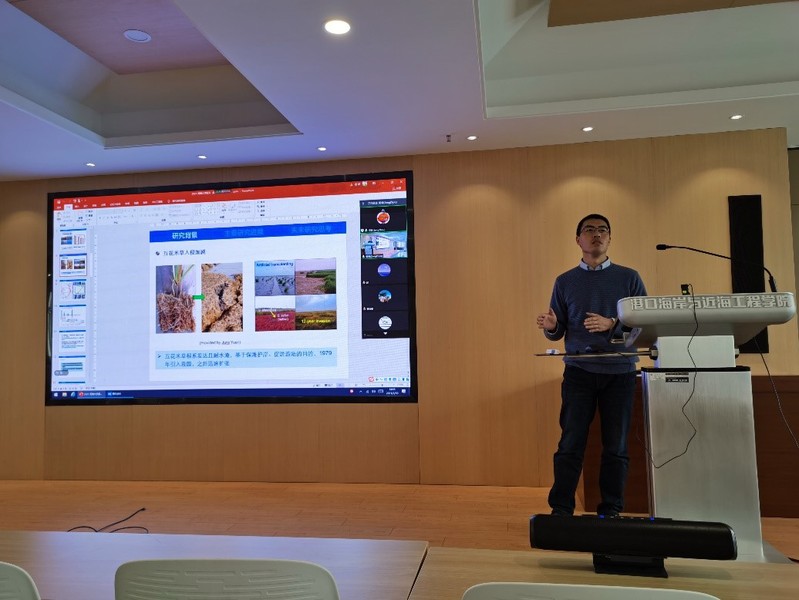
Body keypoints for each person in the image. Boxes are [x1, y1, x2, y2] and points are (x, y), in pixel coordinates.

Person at [536, 214, 647, 517]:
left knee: (616, 446)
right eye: (589, 230)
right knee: (570, 443)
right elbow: (558, 329)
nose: (596, 234)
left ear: (610, 239)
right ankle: (561, 510)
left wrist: (613, 324)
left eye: (602, 230)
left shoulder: (629, 278)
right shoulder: (565, 281)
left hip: (620, 373)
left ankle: (610, 511)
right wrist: (551, 327)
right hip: (579, 372)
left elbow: (643, 325)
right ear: (578, 239)